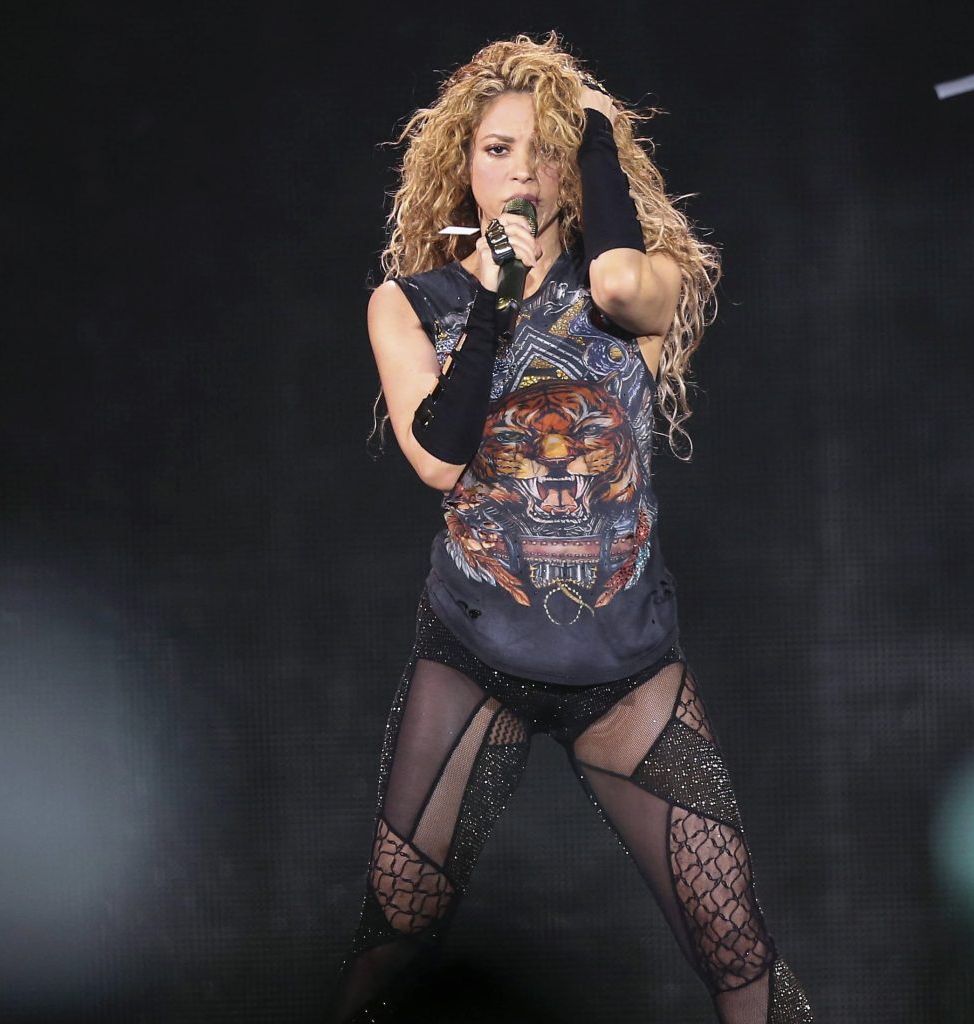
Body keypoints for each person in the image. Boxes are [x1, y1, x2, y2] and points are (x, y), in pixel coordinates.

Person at [332, 33, 813, 1024]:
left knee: (736, 943)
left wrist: (594, 131)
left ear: (576, 168)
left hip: (624, 666)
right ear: (463, 165)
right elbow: (440, 457)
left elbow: (619, 284)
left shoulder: (640, 283)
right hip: (475, 652)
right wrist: (494, 302)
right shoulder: (412, 304)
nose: (520, 173)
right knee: (393, 941)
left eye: (545, 150)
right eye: (497, 149)